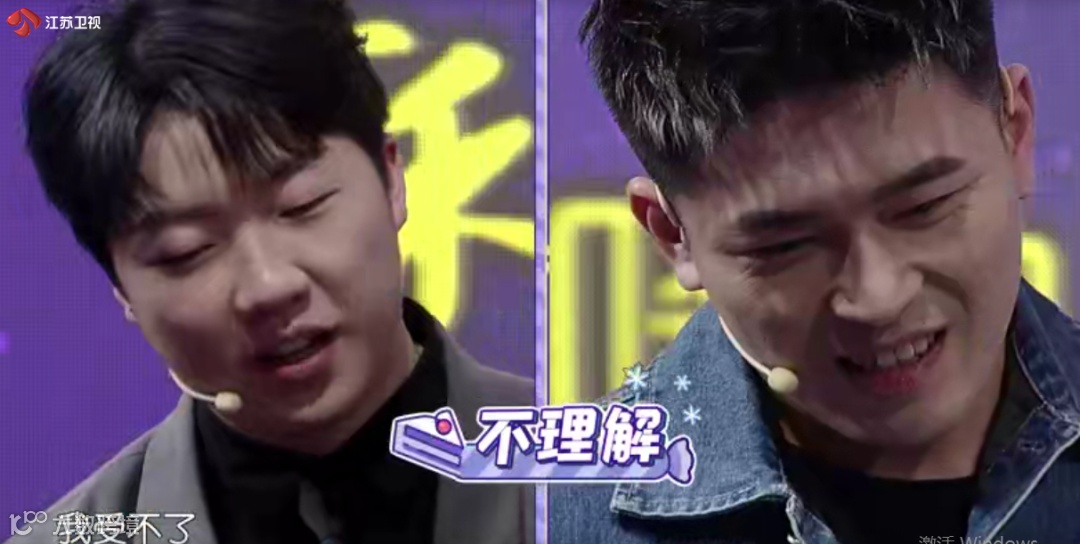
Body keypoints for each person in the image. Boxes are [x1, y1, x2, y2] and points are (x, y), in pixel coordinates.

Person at [549, 1, 1079, 543]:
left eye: (925, 207)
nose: (878, 296)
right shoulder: (555, 520)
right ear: (672, 236)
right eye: (788, 245)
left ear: (1015, 132)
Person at [10, 0, 533, 543]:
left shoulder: (584, 480)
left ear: (391, 179)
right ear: (121, 289)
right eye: (186, 251)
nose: (268, 286)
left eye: (303, 206)